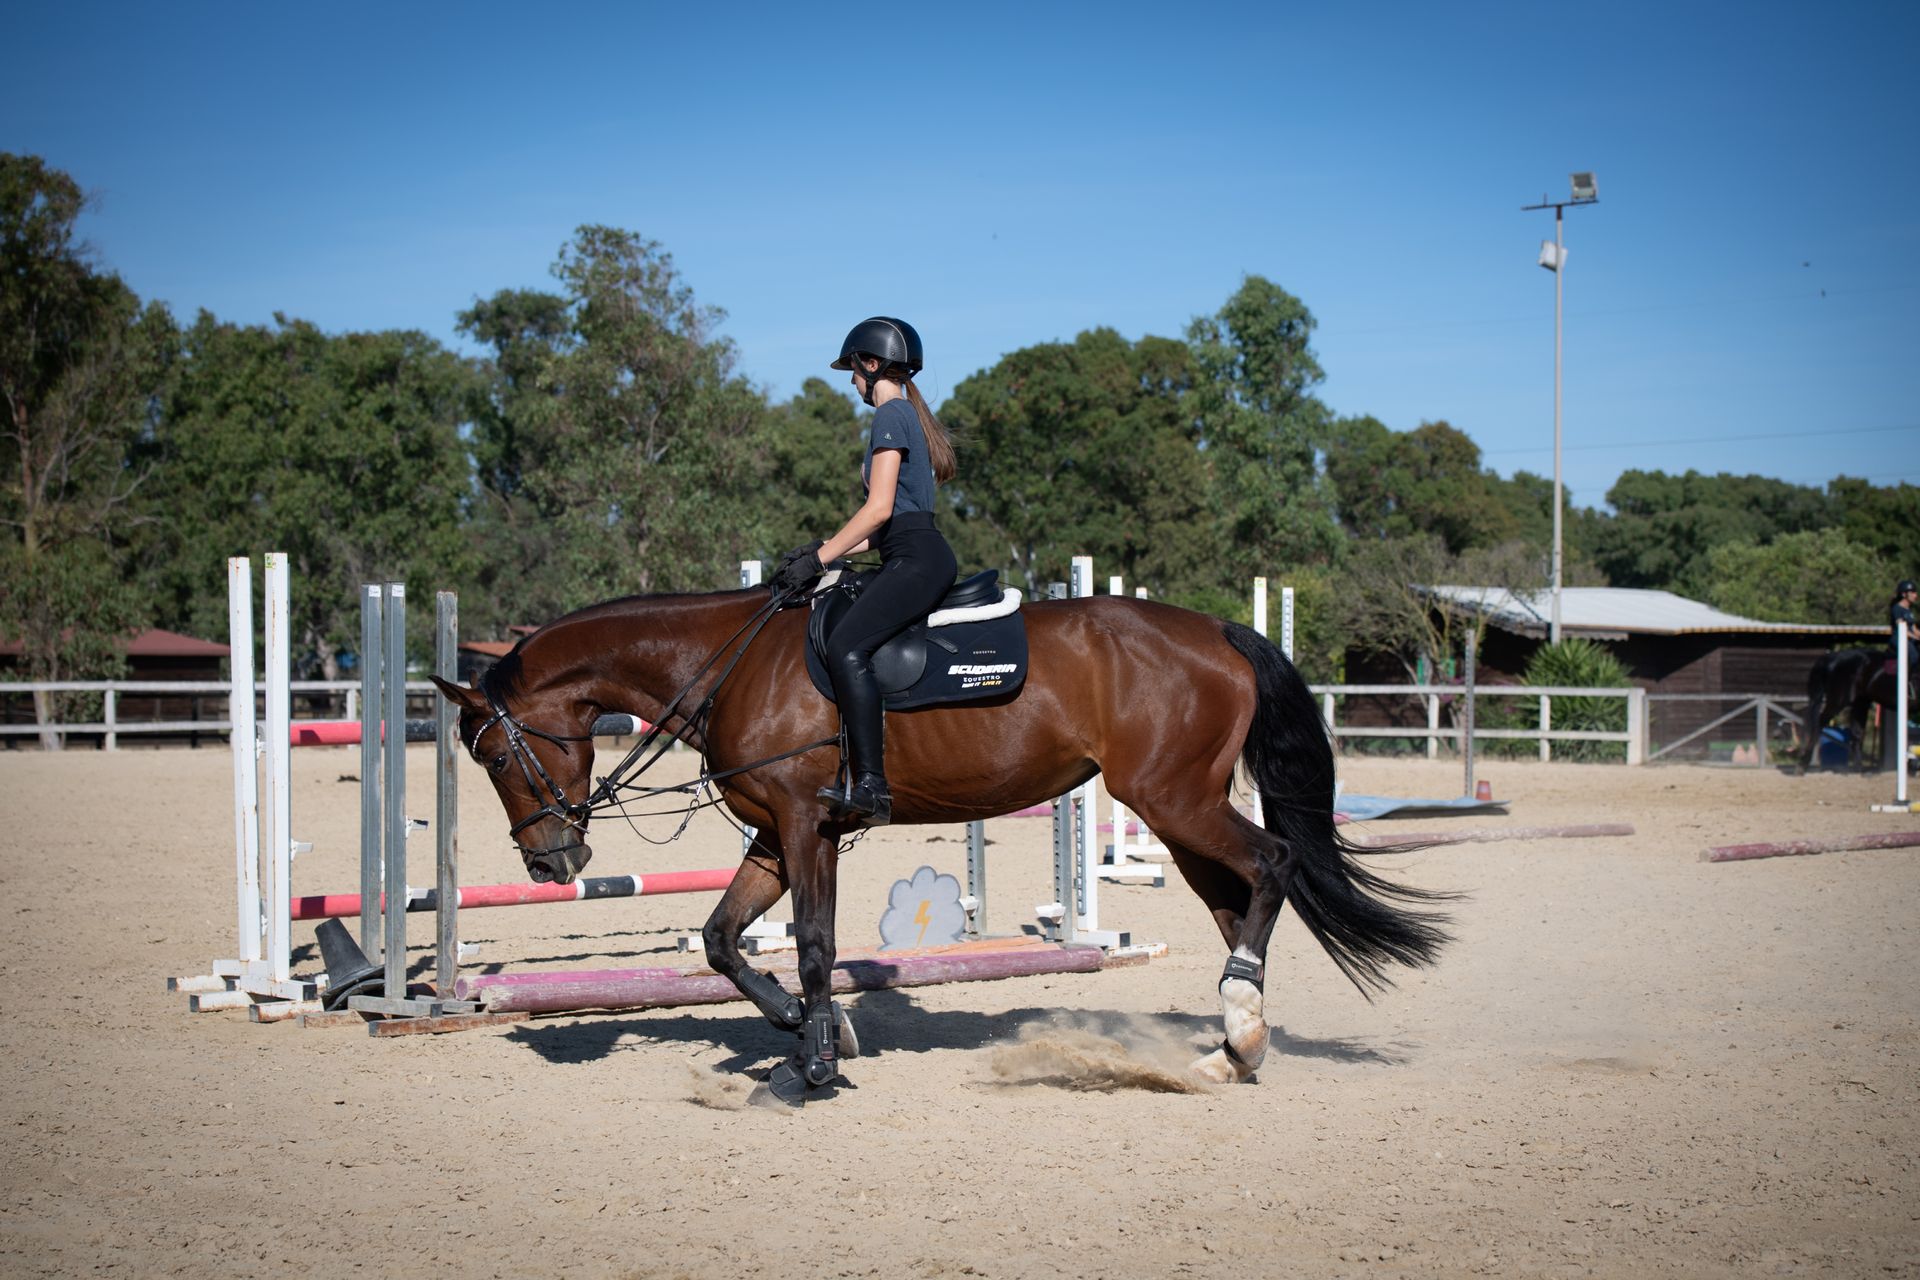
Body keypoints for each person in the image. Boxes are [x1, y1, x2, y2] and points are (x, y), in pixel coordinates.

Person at [770, 317, 959, 824]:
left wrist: (820, 557)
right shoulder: (906, 414)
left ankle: (872, 785)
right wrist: (828, 551)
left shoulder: (889, 415)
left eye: (852, 372)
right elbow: (888, 523)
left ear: (870, 365)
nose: (852, 381)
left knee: (846, 645)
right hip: (911, 550)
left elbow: (877, 510)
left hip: (917, 559)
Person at [1892, 579, 1920, 673]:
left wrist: (1918, 635)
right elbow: (1902, 629)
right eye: (1912, 592)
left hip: (1910, 639)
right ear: (1904, 594)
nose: (1915, 595)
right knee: (1914, 656)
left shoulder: (1908, 610)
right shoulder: (1897, 608)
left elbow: (1914, 629)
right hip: (1899, 638)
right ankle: (1910, 679)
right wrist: (1915, 637)